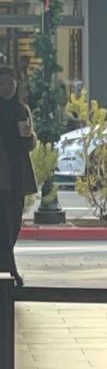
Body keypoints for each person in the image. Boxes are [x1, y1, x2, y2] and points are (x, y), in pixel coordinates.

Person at [0, 66, 37, 287]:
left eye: (10, 83)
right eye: (2, 84)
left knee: (14, 221)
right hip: (2, 172)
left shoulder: (21, 109)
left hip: (17, 172)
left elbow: (28, 142)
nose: (6, 88)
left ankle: (7, 264)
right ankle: (9, 267)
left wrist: (30, 137)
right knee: (4, 222)